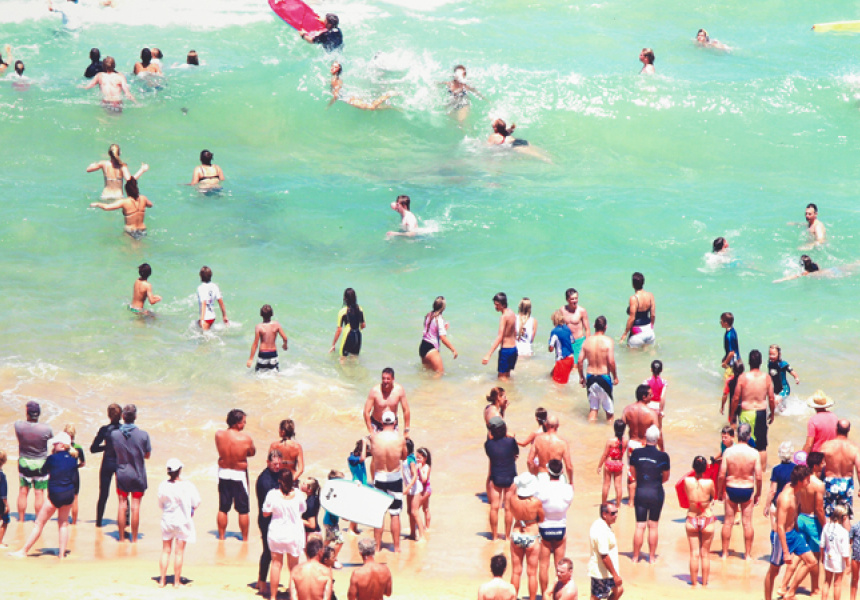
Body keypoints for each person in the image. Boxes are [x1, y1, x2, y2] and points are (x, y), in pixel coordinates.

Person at [9, 433, 79, 559]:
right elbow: (74, 478)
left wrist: (51, 456)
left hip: (55, 495)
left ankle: (24, 551)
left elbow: (43, 470)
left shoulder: (52, 458)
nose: (53, 444)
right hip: (69, 494)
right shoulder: (73, 459)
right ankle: (61, 555)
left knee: (39, 523)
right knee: (63, 524)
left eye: (55, 443)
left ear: (62, 445)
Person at [768, 466, 819, 600]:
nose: (809, 482)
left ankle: (790, 592)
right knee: (773, 571)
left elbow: (795, 512)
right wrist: (786, 552)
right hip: (781, 537)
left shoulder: (797, 490)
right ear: (800, 481)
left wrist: (796, 527)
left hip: (794, 534)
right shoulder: (785, 498)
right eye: (807, 480)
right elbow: (780, 526)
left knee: (812, 562)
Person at [718, 423, 762, 561]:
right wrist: (758, 494)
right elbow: (759, 476)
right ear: (749, 436)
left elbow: (721, 474)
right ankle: (747, 555)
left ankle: (725, 554)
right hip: (747, 489)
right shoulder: (754, 453)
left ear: (737, 435)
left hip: (731, 487)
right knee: (747, 523)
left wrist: (720, 491)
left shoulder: (728, 452)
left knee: (728, 522)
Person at [262, 470, 307, 600]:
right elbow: (303, 509)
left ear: (279, 480)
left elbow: (265, 513)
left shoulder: (272, 494)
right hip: (294, 534)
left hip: (277, 533)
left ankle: (273, 596)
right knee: (293, 567)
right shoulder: (298, 494)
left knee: (276, 564)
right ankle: (293, 596)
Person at [629, 425, 670, 563]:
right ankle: (651, 558)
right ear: (658, 439)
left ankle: (635, 557)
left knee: (640, 525)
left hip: (641, 490)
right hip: (656, 491)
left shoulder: (636, 453)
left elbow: (632, 473)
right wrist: (654, 481)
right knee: (653, 525)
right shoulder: (663, 456)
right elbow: (666, 477)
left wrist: (643, 480)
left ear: (645, 437)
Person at [157, 458, 200, 588]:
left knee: (165, 550)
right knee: (179, 552)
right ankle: (176, 582)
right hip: (182, 521)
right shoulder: (187, 485)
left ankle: (162, 581)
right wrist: (191, 509)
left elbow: (160, 504)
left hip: (167, 520)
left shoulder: (163, 485)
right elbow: (197, 502)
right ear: (180, 470)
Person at [730, 349, 776, 470]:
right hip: (761, 413)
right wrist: (772, 414)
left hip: (746, 412)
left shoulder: (743, 377)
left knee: (744, 444)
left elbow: (735, 398)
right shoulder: (766, 378)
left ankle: (745, 470)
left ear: (749, 362)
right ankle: (762, 473)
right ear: (761, 362)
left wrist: (732, 414)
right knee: (761, 447)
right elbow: (771, 398)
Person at [111, 404, 150, 543]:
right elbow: (147, 455)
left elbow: (115, 452)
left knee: (122, 505)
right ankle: (134, 539)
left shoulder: (115, 434)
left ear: (123, 416)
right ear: (136, 417)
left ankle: (121, 538)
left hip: (122, 473)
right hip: (138, 474)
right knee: (135, 506)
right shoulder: (144, 435)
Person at [215, 408, 256, 541]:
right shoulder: (246, 438)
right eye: (243, 422)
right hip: (239, 475)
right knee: (243, 509)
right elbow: (252, 453)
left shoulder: (219, 435)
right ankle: (244, 538)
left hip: (223, 473)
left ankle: (221, 537)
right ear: (237, 423)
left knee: (223, 508)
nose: (244, 424)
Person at [370, 410, 407, 552]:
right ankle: (396, 548)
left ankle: (377, 547)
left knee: (379, 513)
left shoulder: (374, 438)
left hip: (379, 477)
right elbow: (404, 456)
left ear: (381, 422)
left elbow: (374, 455)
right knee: (395, 513)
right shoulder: (400, 439)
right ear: (395, 422)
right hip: (394, 477)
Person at [536, 459, 574, 598]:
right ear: (562, 471)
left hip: (544, 528)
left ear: (548, 471)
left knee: (543, 565)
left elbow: (537, 506)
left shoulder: (542, 488)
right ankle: (558, 595)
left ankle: (544, 595)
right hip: (560, 527)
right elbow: (568, 504)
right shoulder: (567, 489)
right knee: (560, 566)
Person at [14, 401, 53, 522]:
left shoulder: (18, 425)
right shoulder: (46, 428)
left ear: (27, 413)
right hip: (41, 463)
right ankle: (38, 520)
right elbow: (51, 439)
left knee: (23, 491)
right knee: (39, 493)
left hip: (24, 462)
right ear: (39, 413)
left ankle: (21, 519)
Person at [509, 473, 544, 600]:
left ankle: (513, 597)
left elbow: (512, 513)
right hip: (532, 534)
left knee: (516, 571)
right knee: (532, 573)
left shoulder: (512, 499)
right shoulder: (536, 502)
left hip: (517, 533)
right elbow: (542, 518)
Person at [578, 316, 619, 422]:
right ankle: (609, 431)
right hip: (604, 377)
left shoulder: (587, 341)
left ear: (594, 326)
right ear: (606, 327)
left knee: (593, 410)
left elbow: (580, 361)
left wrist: (581, 377)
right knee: (609, 414)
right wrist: (615, 377)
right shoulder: (608, 341)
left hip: (590, 377)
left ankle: (589, 430)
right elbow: (611, 361)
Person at [683, 456, 716, 587]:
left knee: (694, 554)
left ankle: (694, 584)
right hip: (706, 518)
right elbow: (713, 496)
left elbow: (686, 494)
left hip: (692, 518)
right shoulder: (709, 483)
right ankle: (704, 584)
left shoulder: (687, 481)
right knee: (705, 554)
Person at [485, 417, 518, 541]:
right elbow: (516, 454)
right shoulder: (511, 442)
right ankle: (507, 537)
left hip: (495, 477)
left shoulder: (488, 445)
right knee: (508, 508)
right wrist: (510, 436)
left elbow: (491, 453)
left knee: (494, 507)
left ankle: (494, 536)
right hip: (510, 476)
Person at [821, 420, 860, 523]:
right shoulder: (854, 447)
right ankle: (846, 534)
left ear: (836, 429)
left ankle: (828, 533)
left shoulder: (826, 445)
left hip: (830, 481)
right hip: (846, 482)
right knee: (845, 515)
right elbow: (859, 469)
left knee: (828, 514)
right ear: (849, 430)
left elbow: (819, 465)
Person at [255, 449, 283, 596]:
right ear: (268, 462)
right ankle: (261, 582)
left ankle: (262, 580)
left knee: (274, 552)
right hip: (265, 520)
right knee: (268, 551)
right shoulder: (264, 480)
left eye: (279, 464)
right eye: (275, 464)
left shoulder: (278, 474)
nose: (277, 466)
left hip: (275, 519)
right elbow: (271, 503)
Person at [90, 403, 122, 527]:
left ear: (109, 415)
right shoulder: (124, 430)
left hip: (107, 463)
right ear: (121, 416)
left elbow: (93, 449)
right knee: (123, 495)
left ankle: (98, 522)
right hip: (120, 464)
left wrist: (106, 447)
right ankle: (126, 522)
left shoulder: (104, 429)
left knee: (103, 494)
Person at [589, 503, 623, 600]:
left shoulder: (604, 525)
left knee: (619, 590)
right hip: (601, 573)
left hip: (607, 571)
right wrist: (615, 575)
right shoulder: (601, 530)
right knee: (596, 597)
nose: (616, 515)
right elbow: (604, 556)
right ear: (604, 514)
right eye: (613, 513)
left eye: (616, 512)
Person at [329, 63, 395, 111]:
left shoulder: (334, 80)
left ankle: (388, 94)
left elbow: (336, 95)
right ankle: (390, 107)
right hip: (350, 97)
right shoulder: (336, 78)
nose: (332, 68)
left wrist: (330, 104)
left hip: (350, 99)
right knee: (370, 106)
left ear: (338, 70)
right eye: (332, 66)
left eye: (335, 67)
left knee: (371, 107)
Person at [364, 368, 410, 434]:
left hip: (392, 424)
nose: (385, 381)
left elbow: (406, 410)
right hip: (376, 424)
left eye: (388, 379)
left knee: (394, 441)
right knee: (375, 441)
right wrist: (371, 431)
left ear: (393, 379)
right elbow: (366, 412)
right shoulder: (375, 391)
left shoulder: (399, 390)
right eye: (383, 378)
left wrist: (406, 430)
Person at [528, 415, 573, 484]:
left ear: (545, 425)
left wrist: (534, 474)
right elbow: (569, 466)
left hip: (542, 476)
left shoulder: (538, 440)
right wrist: (571, 482)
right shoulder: (563, 443)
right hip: (558, 477)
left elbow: (529, 461)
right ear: (558, 426)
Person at [419, 296, 458, 373]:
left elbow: (431, 331)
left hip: (423, 346)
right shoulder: (439, 319)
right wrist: (453, 350)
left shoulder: (429, 315)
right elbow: (442, 338)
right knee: (439, 373)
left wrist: (443, 329)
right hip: (431, 349)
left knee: (427, 373)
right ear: (443, 308)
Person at [821, 505, 851, 600]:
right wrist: (848, 564)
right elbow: (845, 552)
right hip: (838, 560)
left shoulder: (826, 527)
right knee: (837, 583)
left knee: (827, 581)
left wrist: (822, 557)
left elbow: (822, 545)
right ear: (844, 517)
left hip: (828, 557)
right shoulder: (844, 532)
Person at [247, 304, 289, 371]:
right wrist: (285, 345)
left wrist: (251, 359)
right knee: (275, 372)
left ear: (261, 314)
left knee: (259, 373)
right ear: (272, 314)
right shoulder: (276, 324)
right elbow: (285, 338)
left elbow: (255, 344)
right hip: (273, 353)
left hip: (263, 353)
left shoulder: (259, 327)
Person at [620, 272, 655, 348]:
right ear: (643, 283)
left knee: (632, 354)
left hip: (637, 332)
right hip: (649, 330)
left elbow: (632, 318)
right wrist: (651, 327)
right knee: (650, 353)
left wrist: (625, 333)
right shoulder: (650, 295)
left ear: (633, 285)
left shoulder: (633, 298)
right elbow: (653, 315)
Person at [597, 420, 627, 506]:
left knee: (606, 485)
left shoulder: (610, 441)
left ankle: (604, 504)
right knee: (618, 485)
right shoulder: (625, 441)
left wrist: (599, 466)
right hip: (619, 464)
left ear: (614, 429)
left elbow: (604, 455)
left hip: (609, 463)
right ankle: (618, 505)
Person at [331, 287, 365, 357]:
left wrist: (333, 344)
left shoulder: (343, 312)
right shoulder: (360, 309)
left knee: (343, 357)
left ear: (345, 299)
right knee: (354, 358)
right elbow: (363, 325)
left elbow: (339, 330)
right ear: (355, 297)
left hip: (348, 336)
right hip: (358, 336)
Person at [63, 424, 85, 525]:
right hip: (74, 474)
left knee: (65, 498)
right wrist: (76, 466)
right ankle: (74, 521)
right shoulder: (78, 448)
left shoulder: (62, 447)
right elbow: (83, 463)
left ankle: (65, 519)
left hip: (64, 474)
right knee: (75, 498)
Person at [561, 288, 590, 362]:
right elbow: (559, 326)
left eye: (576, 298)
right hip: (567, 342)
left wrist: (587, 344)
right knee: (566, 364)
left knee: (576, 364)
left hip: (579, 342)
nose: (575, 301)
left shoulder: (582, 311)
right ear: (567, 299)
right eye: (572, 299)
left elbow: (587, 329)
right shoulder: (562, 310)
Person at [196, 265, 228, 330]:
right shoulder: (215, 286)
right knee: (196, 325)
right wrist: (224, 316)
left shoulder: (200, 288)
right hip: (212, 317)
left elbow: (204, 302)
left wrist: (202, 319)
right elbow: (220, 301)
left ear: (200, 276)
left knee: (204, 334)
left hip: (205, 318)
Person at [402, 439, 422, 541]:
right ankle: (412, 534)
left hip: (414, 488)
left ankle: (422, 536)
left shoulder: (411, 460)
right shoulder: (405, 458)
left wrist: (408, 487)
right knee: (409, 511)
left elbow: (415, 475)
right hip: (410, 488)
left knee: (415, 512)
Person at [548, 309, 575, 384]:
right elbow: (572, 341)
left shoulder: (554, 331)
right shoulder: (567, 329)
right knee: (551, 375)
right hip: (571, 358)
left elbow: (551, 349)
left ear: (554, 320)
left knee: (558, 385)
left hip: (562, 360)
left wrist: (550, 342)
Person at [643, 360, 667, 426]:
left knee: (647, 426)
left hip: (648, 406)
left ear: (651, 369)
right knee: (659, 427)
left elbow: (643, 396)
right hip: (658, 406)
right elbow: (662, 397)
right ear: (661, 370)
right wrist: (661, 410)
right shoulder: (664, 382)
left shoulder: (646, 381)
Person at [414, 448, 432, 534]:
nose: (418, 459)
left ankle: (425, 527)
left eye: (420, 458)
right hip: (421, 490)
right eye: (417, 457)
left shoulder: (426, 467)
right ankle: (425, 527)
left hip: (426, 490)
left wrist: (420, 469)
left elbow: (424, 479)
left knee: (416, 509)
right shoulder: (418, 465)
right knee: (425, 509)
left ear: (425, 458)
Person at [720, 312, 740, 376]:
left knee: (728, 380)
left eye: (721, 321)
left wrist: (725, 363)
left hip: (732, 363)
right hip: (737, 360)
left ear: (725, 323)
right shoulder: (732, 330)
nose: (720, 322)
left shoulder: (729, 336)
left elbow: (731, 352)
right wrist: (725, 357)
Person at [0, 450, 8, 546]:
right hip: (0, 503)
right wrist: (6, 505)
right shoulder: (2, 476)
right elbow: (3, 494)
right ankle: (0, 541)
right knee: (5, 520)